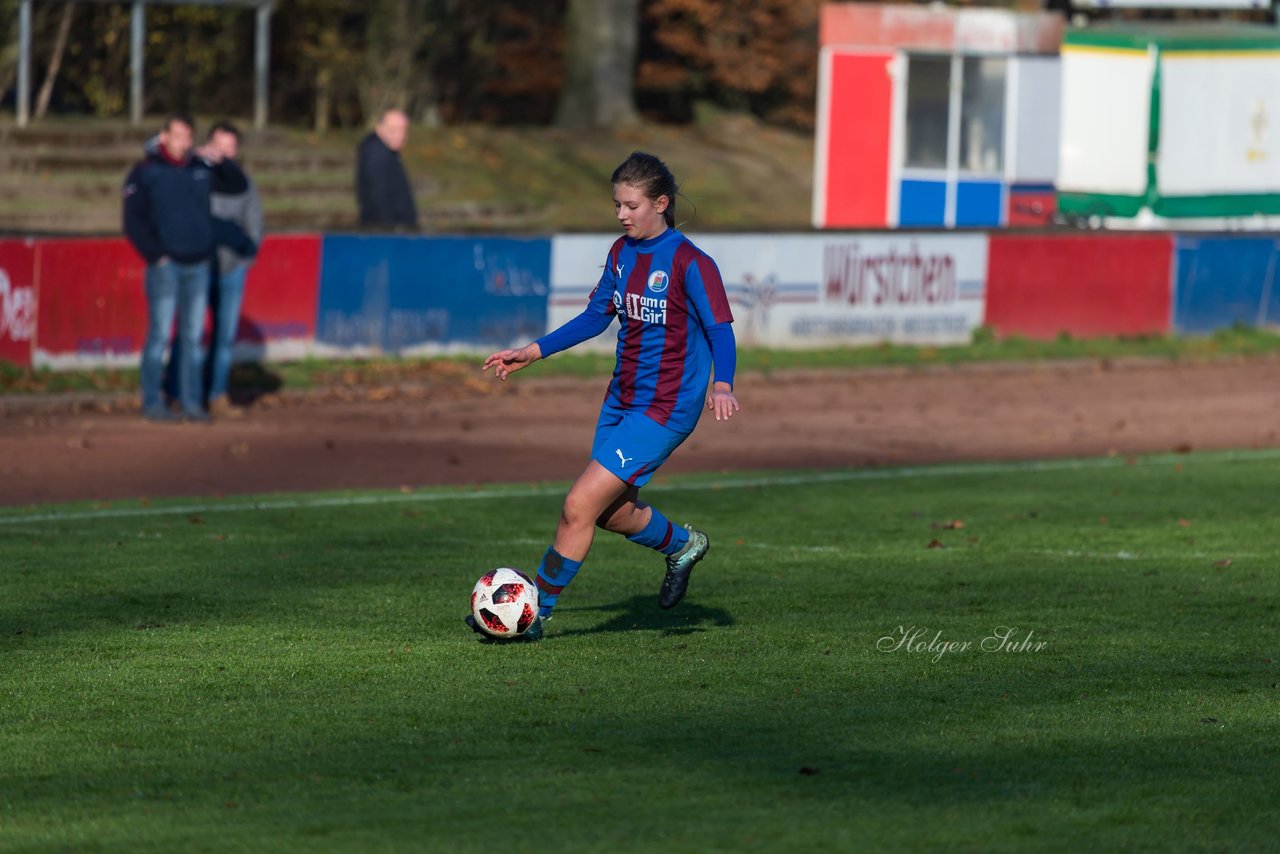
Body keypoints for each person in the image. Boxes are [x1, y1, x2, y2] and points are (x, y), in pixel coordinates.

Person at [468, 151, 740, 643]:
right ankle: (683, 545)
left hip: (665, 408)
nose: (621, 214)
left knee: (577, 505)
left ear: (660, 203)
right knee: (609, 512)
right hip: (621, 399)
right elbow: (597, 316)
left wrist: (723, 382)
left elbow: (720, 328)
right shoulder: (620, 253)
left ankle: (535, 615)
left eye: (630, 205)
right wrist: (534, 350)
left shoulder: (691, 262)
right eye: (616, 204)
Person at [123, 114, 248, 423]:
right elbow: (133, 221)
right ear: (164, 137)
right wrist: (155, 255)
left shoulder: (200, 167)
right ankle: (153, 401)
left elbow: (238, 184)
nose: (184, 143)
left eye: (188, 137)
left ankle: (191, 403)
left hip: (199, 264)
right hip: (166, 265)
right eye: (178, 136)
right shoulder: (146, 171)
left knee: (193, 338)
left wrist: (218, 160)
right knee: (160, 335)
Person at [202, 121, 262, 419]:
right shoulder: (196, 174)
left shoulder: (244, 183)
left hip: (231, 271)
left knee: (224, 337)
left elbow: (255, 227)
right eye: (219, 145)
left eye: (231, 146)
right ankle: (182, 393)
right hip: (198, 267)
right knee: (190, 335)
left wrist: (244, 261)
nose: (225, 152)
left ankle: (217, 395)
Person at [356, 108, 418, 229]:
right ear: (379, 128)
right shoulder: (377, 155)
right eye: (393, 130)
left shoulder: (385, 153)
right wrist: (390, 230)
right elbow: (380, 196)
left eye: (403, 130)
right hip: (385, 232)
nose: (400, 135)